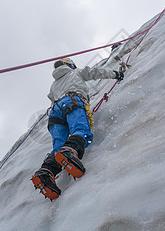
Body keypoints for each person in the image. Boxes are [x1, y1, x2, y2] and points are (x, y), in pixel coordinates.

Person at [31, 58, 124, 200]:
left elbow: (51, 98)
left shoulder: (54, 84)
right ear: (70, 65)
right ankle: (69, 152)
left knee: (58, 146)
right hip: (72, 100)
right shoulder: (75, 73)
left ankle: (46, 172)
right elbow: (94, 73)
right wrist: (116, 74)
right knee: (81, 130)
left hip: (55, 112)